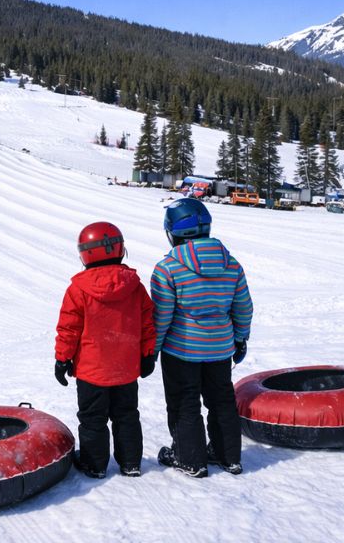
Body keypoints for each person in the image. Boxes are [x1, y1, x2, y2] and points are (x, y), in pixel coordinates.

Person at [150, 198, 253, 478]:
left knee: (184, 403)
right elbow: (243, 306)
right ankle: (228, 456)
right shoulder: (231, 265)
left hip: (181, 351)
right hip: (220, 349)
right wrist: (240, 338)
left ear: (173, 232)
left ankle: (189, 459)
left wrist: (152, 350)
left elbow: (161, 317)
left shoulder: (168, 269)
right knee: (221, 400)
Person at [54, 221, 157, 479]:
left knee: (92, 418)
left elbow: (69, 328)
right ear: (120, 249)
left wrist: (62, 359)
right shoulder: (135, 286)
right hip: (126, 369)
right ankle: (131, 463)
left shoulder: (78, 289)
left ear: (85, 253)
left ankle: (95, 464)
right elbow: (147, 323)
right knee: (127, 416)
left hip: (92, 371)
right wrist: (147, 354)